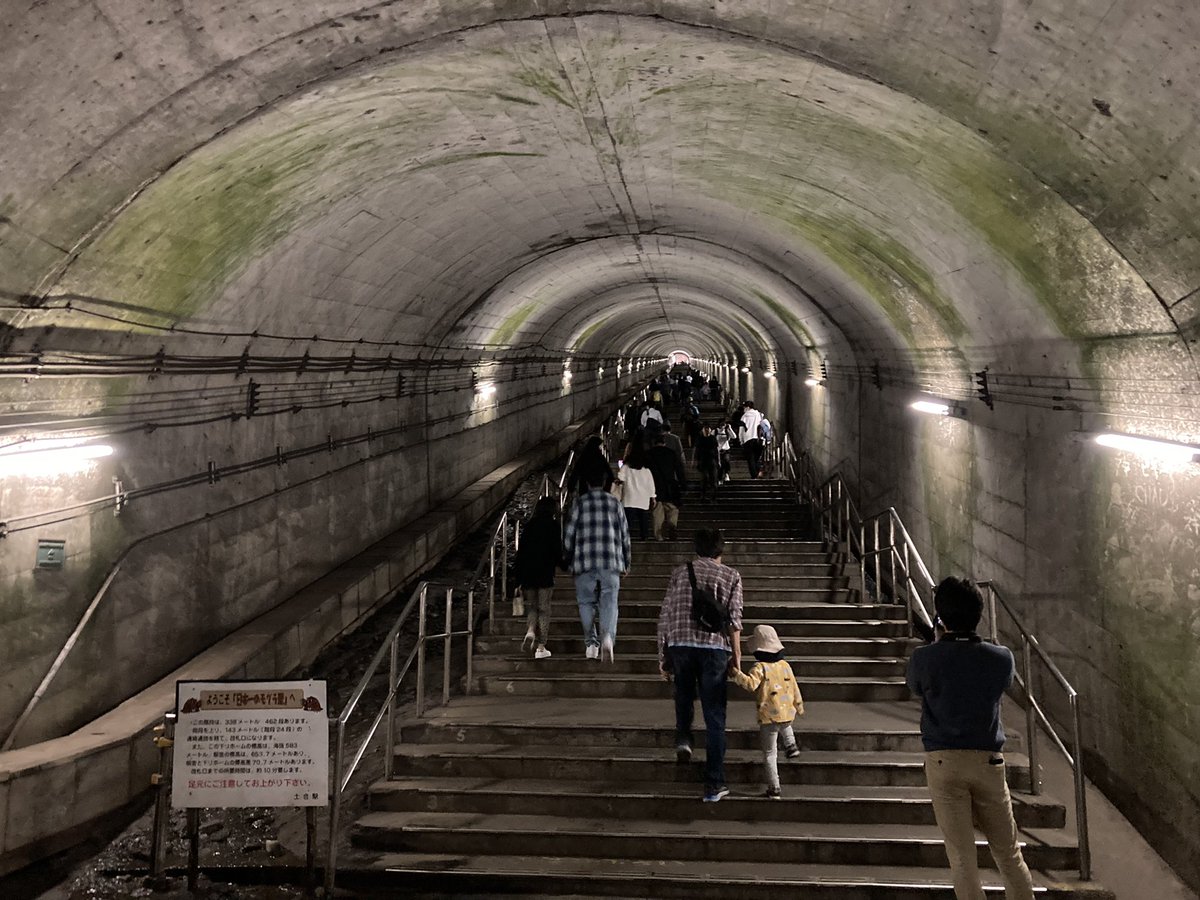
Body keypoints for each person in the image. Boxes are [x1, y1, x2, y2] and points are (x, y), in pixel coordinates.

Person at [906, 577, 1035, 900]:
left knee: (963, 859)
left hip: (944, 761)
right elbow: (1000, 685)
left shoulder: (925, 658)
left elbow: (916, 688)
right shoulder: (1001, 657)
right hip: (988, 761)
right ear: (979, 614)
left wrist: (939, 641)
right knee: (1008, 853)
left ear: (940, 618)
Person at [657, 529, 743, 802]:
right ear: (721, 551)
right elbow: (734, 621)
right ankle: (713, 785)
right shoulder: (731, 576)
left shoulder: (680, 573)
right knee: (715, 716)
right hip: (714, 648)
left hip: (680, 644)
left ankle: (683, 738)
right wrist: (736, 657)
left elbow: (666, 615)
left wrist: (663, 654)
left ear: (696, 549)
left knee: (683, 693)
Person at [562, 469, 632, 663]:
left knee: (585, 602)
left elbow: (569, 535)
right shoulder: (615, 503)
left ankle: (591, 644)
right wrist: (627, 561)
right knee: (609, 600)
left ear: (587, 483)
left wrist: (567, 558)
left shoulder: (579, 504)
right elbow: (625, 535)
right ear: (605, 482)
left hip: (584, 561)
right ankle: (607, 637)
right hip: (610, 561)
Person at [728, 624, 803, 798]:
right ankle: (791, 744)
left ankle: (774, 787)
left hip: (768, 716)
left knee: (770, 753)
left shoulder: (759, 668)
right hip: (786, 711)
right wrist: (798, 705)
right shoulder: (785, 666)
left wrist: (735, 674)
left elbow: (750, 684)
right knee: (786, 723)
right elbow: (794, 688)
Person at [513, 497, 563, 659]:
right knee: (544, 608)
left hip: (528, 574)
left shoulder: (529, 526)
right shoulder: (553, 526)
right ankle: (541, 647)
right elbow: (556, 550)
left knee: (533, 607)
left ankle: (530, 632)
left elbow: (521, 553)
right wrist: (564, 565)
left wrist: (518, 579)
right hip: (545, 573)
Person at [647, 434, 684, 540]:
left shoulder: (649, 454)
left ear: (654, 443)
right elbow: (679, 470)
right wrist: (683, 484)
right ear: (664, 443)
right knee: (673, 510)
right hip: (670, 487)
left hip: (655, 487)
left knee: (657, 512)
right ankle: (672, 526)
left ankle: (658, 535)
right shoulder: (671, 453)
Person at [616, 447, 656, 540]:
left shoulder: (626, 467)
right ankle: (644, 536)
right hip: (643, 499)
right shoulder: (646, 470)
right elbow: (651, 484)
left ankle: (625, 538)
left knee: (628, 521)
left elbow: (620, 478)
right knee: (643, 520)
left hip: (629, 498)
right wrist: (653, 497)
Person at [738, 401, 764, 478]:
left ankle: (754, 475)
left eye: (744, 408)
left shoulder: (744, 417)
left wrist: (741, 440)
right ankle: (758, 470)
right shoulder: (758, 414)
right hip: (758, 439)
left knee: (750, 459)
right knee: (757, 457)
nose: (744, 409)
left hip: (747, 440)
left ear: (748, 407)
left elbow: (741, 430)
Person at [695, 423, 719, 500]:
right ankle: (703, 495)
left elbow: (716, 450)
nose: (706, 431)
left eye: (708, 429)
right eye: (705, 429)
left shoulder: (713, 438)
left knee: (713, 478)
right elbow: (696, 450)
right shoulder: (699, 438)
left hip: (712, 460)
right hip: (703, 460)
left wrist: (718, 461)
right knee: (704, 478)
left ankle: (713, 495)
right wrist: (696, 460)